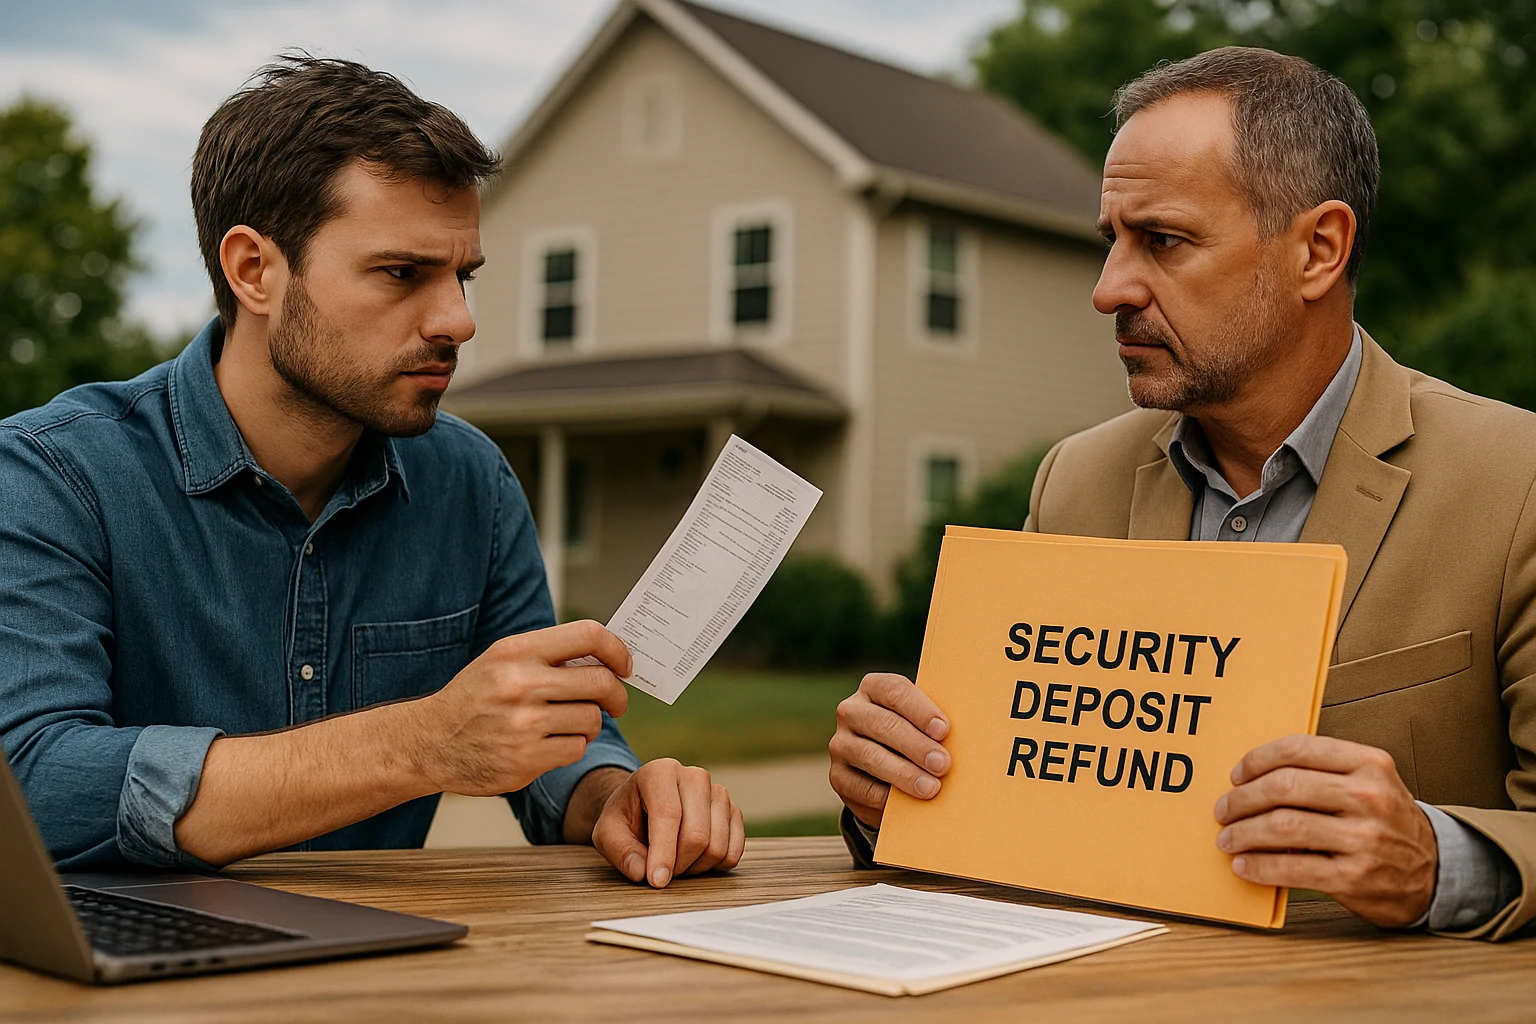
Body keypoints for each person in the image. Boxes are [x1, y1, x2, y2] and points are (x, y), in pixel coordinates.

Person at [829, 47, 1536, 940]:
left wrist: (1438, 862)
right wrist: (896, 793)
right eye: (1112, 242)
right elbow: (1014, 812)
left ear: (1319, 250)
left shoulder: (1516, 482)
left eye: (1162, 241)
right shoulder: (1072, 485)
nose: (1108, 291)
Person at [0, 57, 743, 890]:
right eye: (402, 273)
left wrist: (613, 796)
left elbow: (545, 741)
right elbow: (31, 783)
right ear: (253, 271)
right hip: (127, 965)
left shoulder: (471, 483)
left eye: (462, 276)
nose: (458, 320)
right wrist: (420, 742)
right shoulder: (52, 476)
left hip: (393, 955)